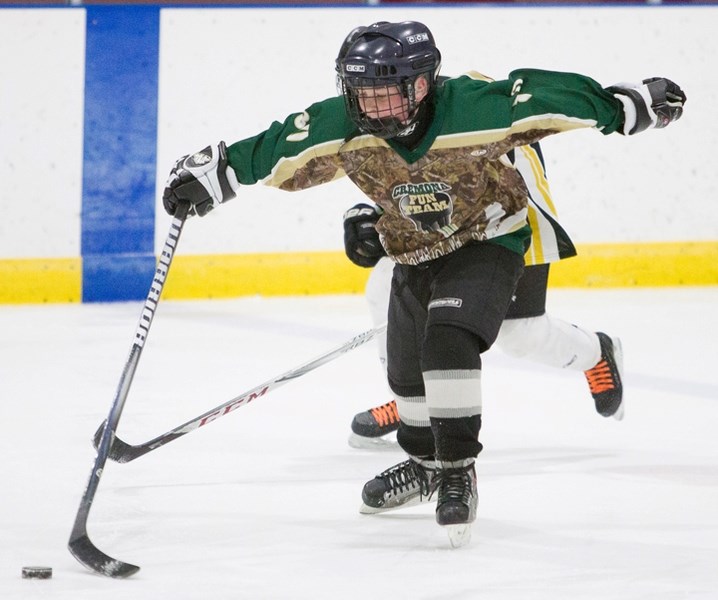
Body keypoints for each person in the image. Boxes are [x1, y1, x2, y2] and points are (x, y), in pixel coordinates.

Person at [161, 21, 685, 547]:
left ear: (422, 85)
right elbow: (283, 146)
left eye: (389, 95)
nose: (376, 109)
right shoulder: (348, 122)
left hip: (491, 224)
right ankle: (424, 440)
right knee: (404, 339)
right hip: (419, 240)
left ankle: (568, 374)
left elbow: (547, 97)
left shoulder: (479, 109)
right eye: (364, 96)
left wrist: (626, 106)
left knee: (502, 333)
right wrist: (217, 173)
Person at [345, 138, 624, 449]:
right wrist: (374, 212)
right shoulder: (403, 93)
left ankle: (596, 352)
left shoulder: (478, 93)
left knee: (518, 333)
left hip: (507, 206)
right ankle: (414, 398)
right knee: (386, 279)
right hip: (444, 201)